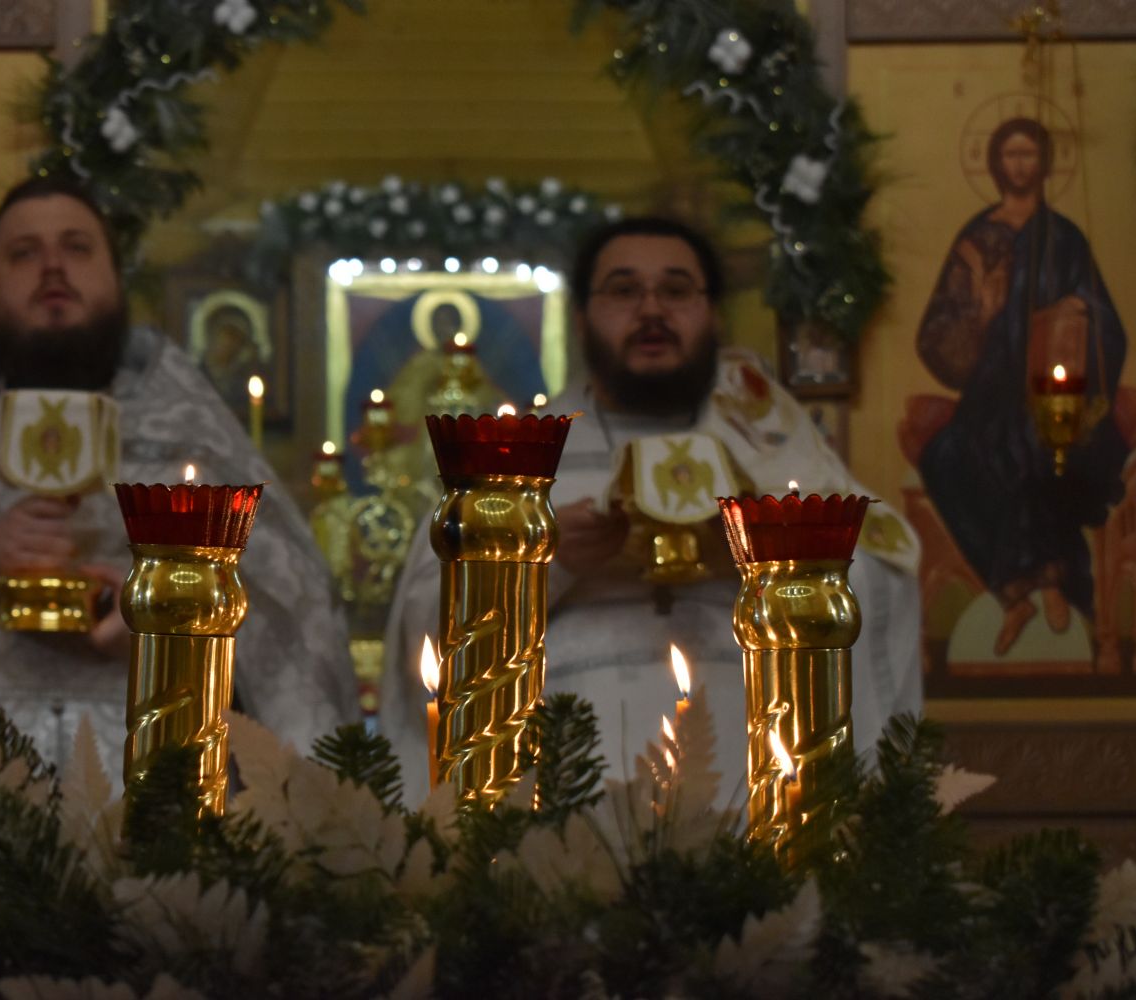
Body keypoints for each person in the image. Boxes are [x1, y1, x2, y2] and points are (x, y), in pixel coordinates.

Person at [0, 177, 360, 895]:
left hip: (149, 767)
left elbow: (294, 609)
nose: (52, 268)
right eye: (23, 253)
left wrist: (165, 616)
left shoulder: (194, 442)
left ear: (116, 280)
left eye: (77, 248)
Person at [378, 217, 922, 808]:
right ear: (581, 319)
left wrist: (769, 560)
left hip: (757, 784)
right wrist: (545, 562)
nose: (651, 309)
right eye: (623, 289)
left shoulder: (774, 449)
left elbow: (884, 580)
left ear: (714, 314)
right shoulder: (517, 462)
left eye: (677, 289)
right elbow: (421, 635)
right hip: (558, 794)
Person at [916, 117, 1127, 656]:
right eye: (1010, 155)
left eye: (1028, 154)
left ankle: (1050, 582)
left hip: (1053, 395)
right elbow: (938, 331)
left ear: (1044, 163)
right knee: (945, 457)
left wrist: (1078, 312)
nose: (1019, 165)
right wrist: (980, 315)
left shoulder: (1065, 238)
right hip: (988, 393)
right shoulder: (977, 237)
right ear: (994, 163)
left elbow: (1108, 325)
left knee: (1031, 452)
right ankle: (1015, 596)